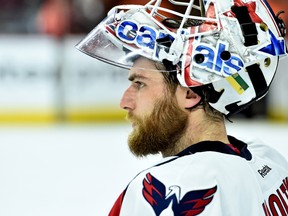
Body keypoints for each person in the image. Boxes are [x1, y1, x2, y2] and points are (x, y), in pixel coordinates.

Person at [76, 0, 288, 215]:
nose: (125, 102)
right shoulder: (271, 164)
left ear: (190, 94)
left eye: (140, 83)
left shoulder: (175, 186)